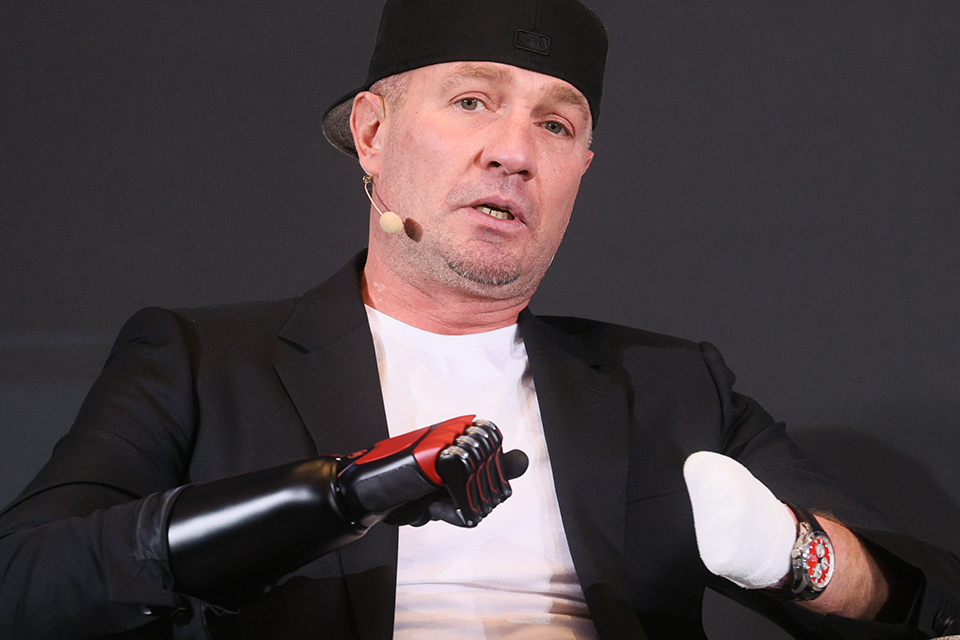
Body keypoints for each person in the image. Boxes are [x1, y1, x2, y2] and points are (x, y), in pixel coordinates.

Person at [1, 0, 959, 638]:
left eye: (556, 123)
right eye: (471, 101)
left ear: (581, 170)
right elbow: (24, 583)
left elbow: (931, 599)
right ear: (372, 134)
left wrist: (796, 555)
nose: (514, 151)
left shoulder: (670, 389)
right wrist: (328, 499)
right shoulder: (202, 361)